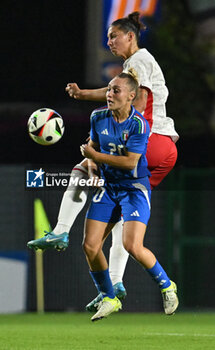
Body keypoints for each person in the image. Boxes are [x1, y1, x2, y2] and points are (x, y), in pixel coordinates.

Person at [27, 12, 179, 311]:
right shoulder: (132, 67)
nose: (109, 42)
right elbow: (118, 92)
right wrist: (84, 95)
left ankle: (60, 229)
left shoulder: (138, 62)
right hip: (163, 149)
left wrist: (108, 141)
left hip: (151, 141)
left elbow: (137, 102)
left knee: (84, 167)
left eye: (114, 36)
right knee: (125, 208)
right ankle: (115, 281)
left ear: (130, 36)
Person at [80, 71, 178, 321]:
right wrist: (92, 167)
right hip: (109, 188)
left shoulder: (138, 124)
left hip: (134, 188)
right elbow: (93, 148)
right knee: (90, 246)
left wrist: (96, 158)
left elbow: (130, 162)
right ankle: (109, 297)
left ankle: (167, 286)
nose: (109, 94)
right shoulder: (97, 117)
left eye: (116, 90)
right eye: (109, 89)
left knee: (132, 245)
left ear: (131, 97)